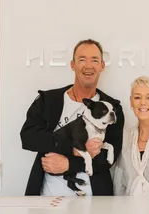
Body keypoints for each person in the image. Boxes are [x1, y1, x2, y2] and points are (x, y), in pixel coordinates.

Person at [20, 39, 125, 196]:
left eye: (94, 60)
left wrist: (69, 164)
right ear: (72, 65)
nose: (88, 65)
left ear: (102, 66)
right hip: (48, 200)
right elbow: (28, 138)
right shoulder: (48, 100)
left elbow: (110, 158)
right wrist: (73, 149)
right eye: (82, 59)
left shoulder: (112, 107)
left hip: (95, 202)